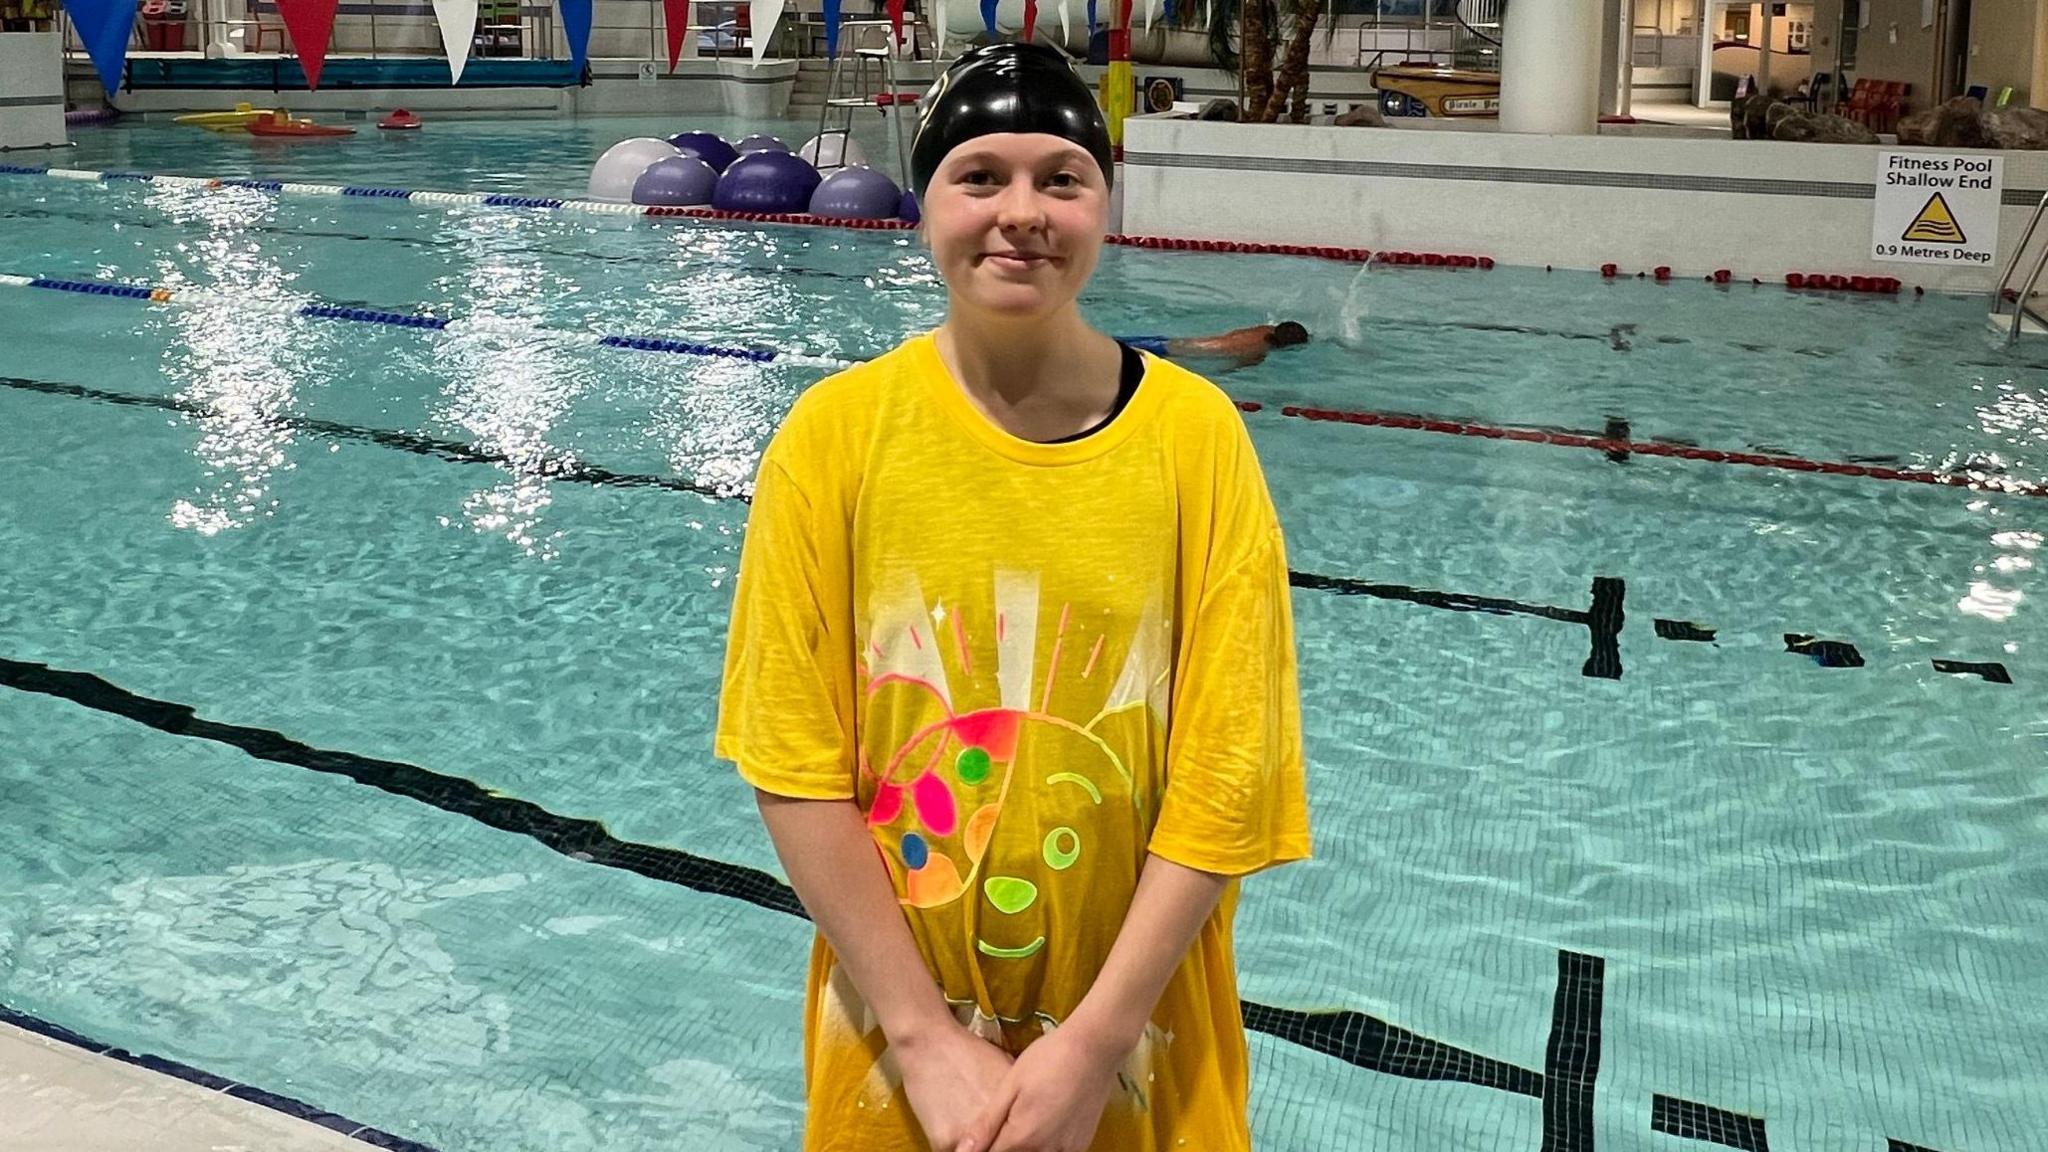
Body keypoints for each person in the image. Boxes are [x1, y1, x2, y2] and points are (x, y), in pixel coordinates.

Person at [717, 41, 1312, 1152]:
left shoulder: (1195, 442)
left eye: (1061, 178)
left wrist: (1093, 1045)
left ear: (1102, 206)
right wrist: (922, 1036)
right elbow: (789, 757)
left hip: (1145, 1039)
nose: (1020, 211)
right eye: (979, 175)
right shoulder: (834, 439)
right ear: (923, 201)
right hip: (895, 1048)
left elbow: (1228, 773)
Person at [1123, 320, 1309, 371]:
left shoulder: (1264, 329)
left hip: (1169, 340)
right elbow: (1236, 367)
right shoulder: (1258, 351)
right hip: (1174, 350)